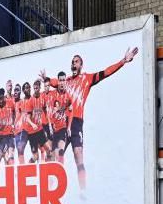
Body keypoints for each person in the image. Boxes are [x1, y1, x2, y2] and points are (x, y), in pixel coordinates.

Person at [40, 47, 138, 194]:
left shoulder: (87, 79)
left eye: (76, 62)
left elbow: (105, 72)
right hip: (63, 123)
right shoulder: (65, 81)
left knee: (78, 155)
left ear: (81, 65)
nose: (73, 64)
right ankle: (49, 189)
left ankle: (83, 191)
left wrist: (123, 61)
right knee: (54, 155)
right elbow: (53, 81)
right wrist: (46, 79)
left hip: (77, 122)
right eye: (72, 62)